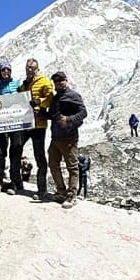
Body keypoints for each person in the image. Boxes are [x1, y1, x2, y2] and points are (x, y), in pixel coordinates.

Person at [8, 58, 54, 200]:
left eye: (32, 68)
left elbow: (50, 98)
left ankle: (42, 189)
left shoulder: (44, 81)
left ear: (37, 68)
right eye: (27, 68)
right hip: (24, 123)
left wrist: (39, 102)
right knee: (15, 148)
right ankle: (16, 182)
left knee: (39, 155)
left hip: (38, 124)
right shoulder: (23, 85)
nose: (29, 70)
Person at [45, 72, 87, 208]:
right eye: (56, 82)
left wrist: (69, 119)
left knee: (72, 167)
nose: (58, 83)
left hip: (69, 137)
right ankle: (61, 191)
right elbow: (53, 115)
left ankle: (72, 195)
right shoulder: (56, 98)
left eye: (61, 81)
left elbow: (83, 112)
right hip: (56, 137)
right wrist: (40, 112)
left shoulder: (73, 96)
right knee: (53, 163)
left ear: (66, 81)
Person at [0, 60, 19, 193]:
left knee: (16, 149)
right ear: (0, 72)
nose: (6, 72)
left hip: (16, 122)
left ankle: (14, 182)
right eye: (3, 70)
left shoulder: (17, 84)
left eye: (8, 69)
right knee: (0, 151)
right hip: (0, 123)